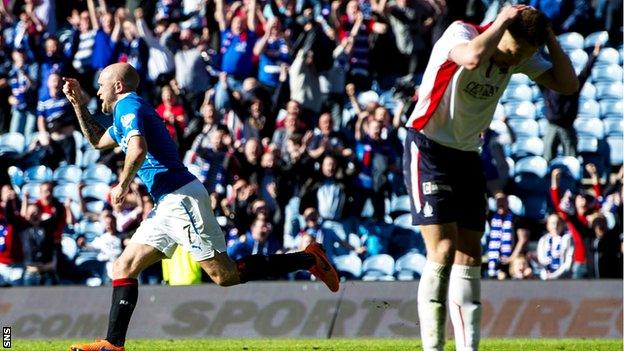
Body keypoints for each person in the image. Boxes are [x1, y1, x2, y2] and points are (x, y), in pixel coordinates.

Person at [62, 63, 339, 351]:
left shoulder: (127, 104)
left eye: (101, 85)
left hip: (180, 199)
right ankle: (113, 344)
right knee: (124, 266)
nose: (97, 91)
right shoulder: (123, 114)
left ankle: (308, 259)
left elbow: (138, 149)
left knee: (225, 275)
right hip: (165, 202)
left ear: (117, 86)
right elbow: (96, 140)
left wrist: (122, 184)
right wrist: (79, 105)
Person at [402, 6, 578, 351]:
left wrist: (548, 36)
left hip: (467, 154)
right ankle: (433, 347)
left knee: (470, 256)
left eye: (523, 57)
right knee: (443, 249)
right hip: (429, 146)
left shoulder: (518, 55)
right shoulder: (461, 34)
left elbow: (568, 84)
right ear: (502, 31)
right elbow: (470, 59)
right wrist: (501, 20)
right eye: (512, 53)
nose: (511, 63)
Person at [536, 213, 575, 280]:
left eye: (558, 223)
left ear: (562, 225)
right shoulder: (543, 240)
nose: (555, 226)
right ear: (547, 225)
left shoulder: (567, 239)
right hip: (546, 277)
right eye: (552, 223)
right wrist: (546, 274)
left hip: (563, 278)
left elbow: (568, 264)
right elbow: (541, 260)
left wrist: (554, 276)